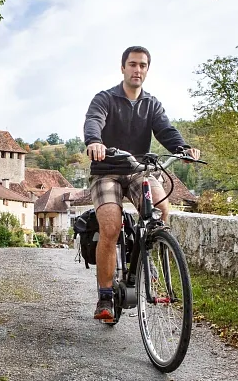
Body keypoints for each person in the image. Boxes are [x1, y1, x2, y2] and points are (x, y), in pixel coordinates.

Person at [83, 46, 200, 322]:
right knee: (110, 226)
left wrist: (182, 148)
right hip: (107, 170)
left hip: (139, 170)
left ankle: (149, 261)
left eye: (143, 66)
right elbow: (93, 121)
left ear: (147, 70)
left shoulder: (152, 104)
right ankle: (106, 296)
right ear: (123, 68)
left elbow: (166, 130)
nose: (137, 70)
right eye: (133, 64)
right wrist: (95, 142)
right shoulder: (105, 99)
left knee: (161, 208)